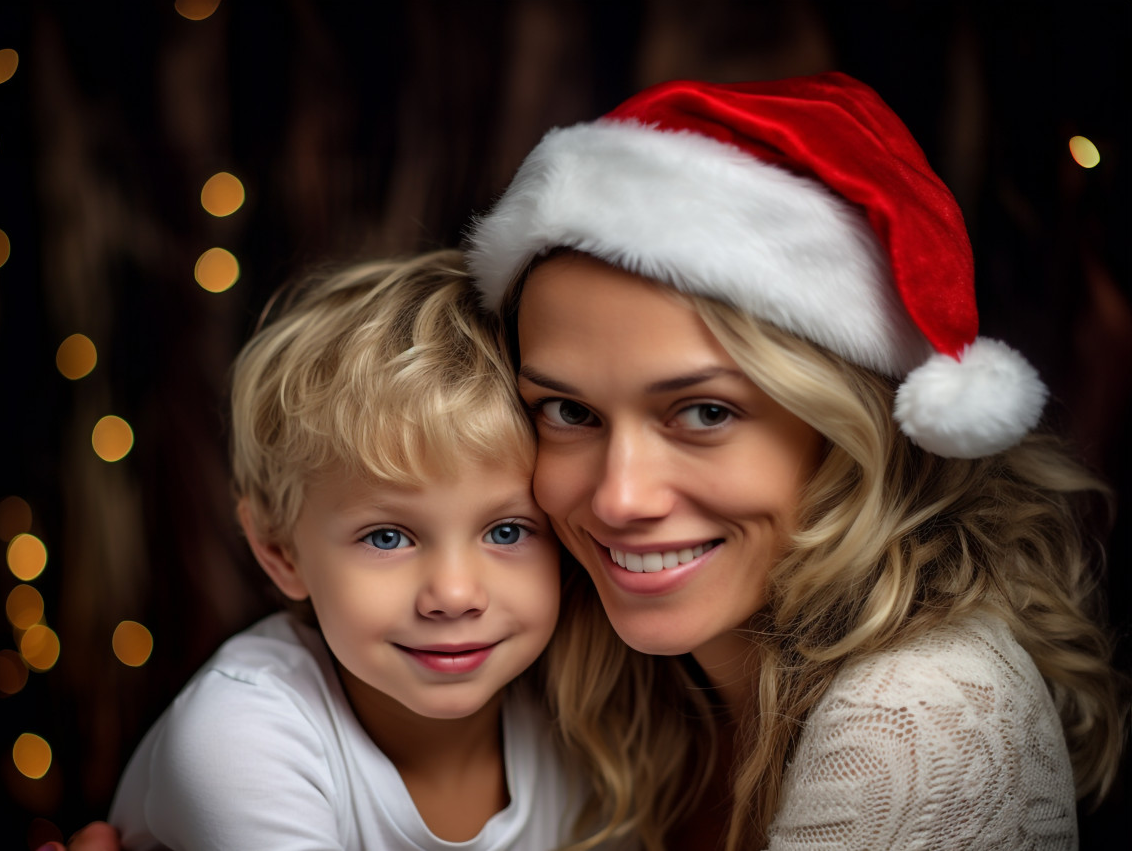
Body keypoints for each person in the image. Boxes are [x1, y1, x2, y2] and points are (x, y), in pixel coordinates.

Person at [465, 72, 1126, 850]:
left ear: (855, 431)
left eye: (705, 413)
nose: (620, 498)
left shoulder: (915, 717)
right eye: (570, 412)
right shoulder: (609, 672)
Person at [100, 250, 592, 851]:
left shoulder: (578, 726)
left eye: (507, 531)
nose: (455, 594)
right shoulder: (238, 736)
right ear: (280, 550)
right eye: (387, 537)